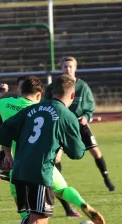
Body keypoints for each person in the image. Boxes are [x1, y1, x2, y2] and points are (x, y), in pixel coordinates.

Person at [0, 75, 106, 224]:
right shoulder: (66, 115)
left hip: (18, 170)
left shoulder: (31, 109)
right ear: (72, 95)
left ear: (51, 92)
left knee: (30, 217)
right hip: (40, 171)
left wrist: (8, 154)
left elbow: (3, 132)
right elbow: (77, 153)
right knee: (41, 218)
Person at [0, 76, 80, 224]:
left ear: (21, 90)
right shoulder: (40, 107)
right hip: (15, 150)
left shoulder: (13, 104)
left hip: (21, 151)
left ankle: (66, 209)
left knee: (48, 184)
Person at [45, 56, 116, 193]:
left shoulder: (82, 87)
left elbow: (90, 106)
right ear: (61, 68)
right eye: (65, 66)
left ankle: (106, 178)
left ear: (75, 68)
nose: (68, 69)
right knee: (57, 157)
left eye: (71, 66)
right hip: (61, 125)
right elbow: (47, 104)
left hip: (79, 124)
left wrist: (86, 117)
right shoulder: (53, 87)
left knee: (95, 151)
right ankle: (57, 184)